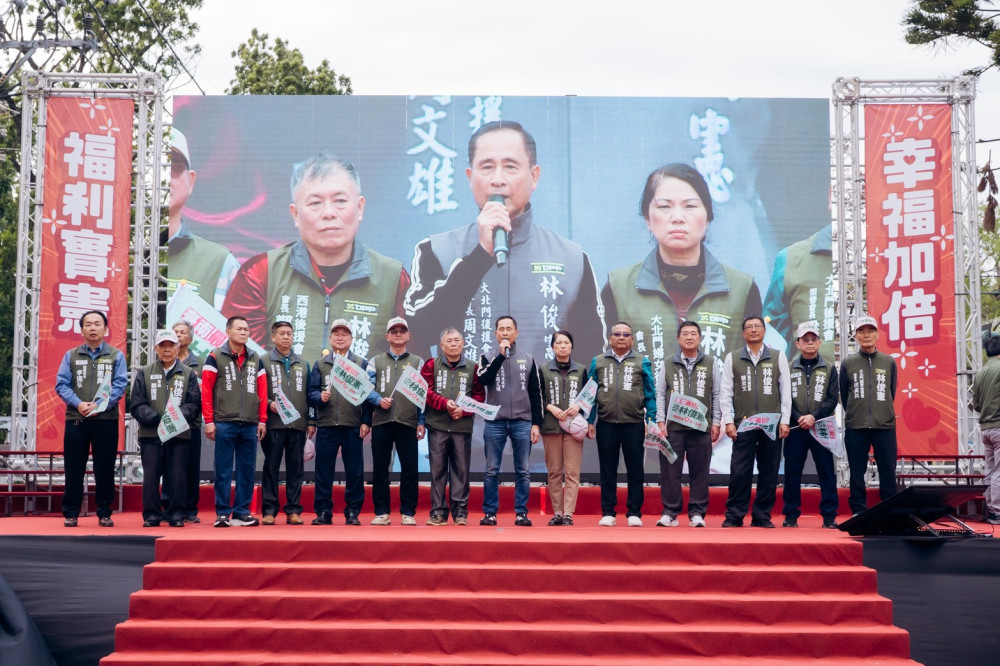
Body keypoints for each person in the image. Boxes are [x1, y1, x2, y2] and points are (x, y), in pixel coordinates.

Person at [404, 120, 605, 362]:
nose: (497, 179)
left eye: (510, 166)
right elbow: (417, 332)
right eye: (487, 167)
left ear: (534, 176)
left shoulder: (572, 258)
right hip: (461, 399)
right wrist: (479, 256)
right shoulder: (435, 249)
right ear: (470, 177)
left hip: (544, 400)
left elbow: (593, 354)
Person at [223, 153, 409, 358]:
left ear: (359, 208)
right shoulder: (260, 272)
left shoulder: (393, 277)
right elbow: (235, 357)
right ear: (295, 214)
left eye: (340, 201)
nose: (329, 213)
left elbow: (406, 363)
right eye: (315, 203)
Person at [602, 163, 761, 377]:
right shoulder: (618, 289)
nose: (677, 217)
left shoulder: (742, 289)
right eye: (665, 206)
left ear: (707, 218)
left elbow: (753, 372)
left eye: (690, 206)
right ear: (648, 219)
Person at [54, 310, 128, 527]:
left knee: (105, 467)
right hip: (77, 418)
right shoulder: (71, 355)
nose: (93, 328)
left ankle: (104, 512)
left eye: (97, 324)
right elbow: (62, 384)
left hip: (106, 420)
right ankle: (71, 512)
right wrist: (79, 403)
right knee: (73, 467)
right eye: (88, 324)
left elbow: (120, 384)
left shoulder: (116, 355)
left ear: (106, 329)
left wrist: (100, 405)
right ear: (82, 329)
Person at [720, 314, 791, 528]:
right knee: (740, 470)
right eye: (748, 327)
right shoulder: (733, 357)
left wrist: (785, 420)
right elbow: (725, 392)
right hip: (743, 423)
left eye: (757, 326)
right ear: (743, 333)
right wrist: (728, 421)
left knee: (769, 470)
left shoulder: (778, 357)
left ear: (764, 331)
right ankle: (735, 515)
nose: (753, 330)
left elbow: (785, 391)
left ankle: (762, 515)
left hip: (772, 424)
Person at [586, 321, 657, 527]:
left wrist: (650, 419)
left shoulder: (642, 361)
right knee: (607, 469)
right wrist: (590, 420)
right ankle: (608, 511)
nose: (621, 338)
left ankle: (634, 512)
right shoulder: (598, 361)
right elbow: (590, 394)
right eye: (617, 334)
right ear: (610, 338)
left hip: (634, 423)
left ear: (632, 339)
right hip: (606, 423)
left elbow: (650, 394)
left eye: (626, 334)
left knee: (635, 469)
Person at [129, 329, 201, 528]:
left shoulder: (188, 374)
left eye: (171, 346)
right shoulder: (144, 373)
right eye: (163, 346)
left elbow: (194, 404)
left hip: (178, 434)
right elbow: (136, 403)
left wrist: (174, 418)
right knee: (151, 478)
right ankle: (152, 516)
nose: (167, 350)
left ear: (178, 348)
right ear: (156, 349)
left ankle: (176, 515)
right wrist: (156, 419)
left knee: (178, 476)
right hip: (151, 435)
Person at [476, 315, 543, 526]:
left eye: (509, 329)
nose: (505, 332)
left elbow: (535, 393)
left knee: (522, 469)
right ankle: (490, 513)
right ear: (495, 334)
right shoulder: (486, 357)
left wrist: (536, 424)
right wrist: (500, 357)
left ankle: (521, 512)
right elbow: (483, 380)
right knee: (491, 469)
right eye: (501, 329)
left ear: (516, 333)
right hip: (495, 421)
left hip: (522, 421)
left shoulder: (529, 358)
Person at [308, 319, 375, 526]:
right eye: (336, 334)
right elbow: (310, 393)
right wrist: (320, 397)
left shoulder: (361, 364)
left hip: (353, 425)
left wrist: (366, 421)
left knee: (354, 471)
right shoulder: (321, 363)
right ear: (330, 338)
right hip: (327, 425)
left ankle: (353, 512)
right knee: (323, 471)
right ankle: (323, 511)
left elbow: (367, 396)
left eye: (344, 334)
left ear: (351, 339)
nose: (340, 337)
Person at [202, 315, 268, 528]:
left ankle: (242, 512)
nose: (243, 332)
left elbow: (263, 391)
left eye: (246, 330)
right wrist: (209, 421)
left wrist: (263, 420)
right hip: (224, 422)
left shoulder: (255, 358)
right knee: (222, 470)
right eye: (239, 329)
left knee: (247, 470)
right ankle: (222, 513)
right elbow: (206, 391)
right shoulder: (214, 356)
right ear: (228, 332)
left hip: (250, 423)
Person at [654, 321, 721, 528]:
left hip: (701, 428)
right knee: (669, 472)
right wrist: (660, 420)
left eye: (693, 333)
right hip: (673, 428)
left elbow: (716, 394)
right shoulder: (668, 363)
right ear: (678, 338)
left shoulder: (711, 363)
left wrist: (716, 422)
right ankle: (670, 512)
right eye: (685, 333)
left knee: (699, 472)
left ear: (700, 338)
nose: (689, 337)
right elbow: (660, 393)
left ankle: (697, 513)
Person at [165, 128, 239, 309]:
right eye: (156, 166)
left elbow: (236, 332)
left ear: (191, 181)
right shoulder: (112, 253)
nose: (165, 178)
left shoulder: (220, 262)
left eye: (174, 168)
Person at [421, 327, 485, 526]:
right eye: (449, 341)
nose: (453, 344)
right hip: (437, 425)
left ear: (463, 343)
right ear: (442, 345)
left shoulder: (473, 367)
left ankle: (460, 513)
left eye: (457, 340)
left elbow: (479, 396)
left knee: (461, 471)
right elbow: (425, 390)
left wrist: (463, 410)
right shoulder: (431, 364)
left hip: (461, 426)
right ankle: (438, 512)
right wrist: (445, 403)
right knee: (437, 471)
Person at [781, 321, 839, 529]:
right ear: (797, 343)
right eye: (805, 339)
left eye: (813, 339)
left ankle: (830, 516)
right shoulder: (788, 368)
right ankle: (791, 515)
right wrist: (798, 417)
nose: (809, 342)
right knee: (792, 472)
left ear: (819, 342)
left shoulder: (830, 368)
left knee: (826, 471)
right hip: (796, 428)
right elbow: (784, 398)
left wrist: (813, 416)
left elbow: (833, 399)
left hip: (821, 426)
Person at [367, 317, 425, 526]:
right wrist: (377, 400)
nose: (398, 334)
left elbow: (422, 395)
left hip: (407, 421)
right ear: (387, 336)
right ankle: (382, 512)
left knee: (409, 468)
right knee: (380, 468)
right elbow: (366, 387)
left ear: (408, 336)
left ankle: (408, 511)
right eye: (394, 331)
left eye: (402, 330)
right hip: (381, 421)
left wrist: (421, 420)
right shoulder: (376, 360)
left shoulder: (418, 362)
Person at [840, 315, 898, 515]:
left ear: (877, 334)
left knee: (888, 471)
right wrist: (857, 413)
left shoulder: (888, 361)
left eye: (870, 331)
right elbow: (844, 392)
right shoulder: (848, 362)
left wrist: (882, 413)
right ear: (855, 336)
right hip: (856, 426)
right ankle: (858, 510)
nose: (866, 335)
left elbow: (891, 391)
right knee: (857, 471)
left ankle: (890, 510)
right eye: (861, 331)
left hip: (885, 425)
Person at [261, 320, 315, 525]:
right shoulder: (264, 361)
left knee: (296, 468)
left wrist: (311, 421)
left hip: (297, 425)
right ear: (273, 337)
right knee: (271, 467)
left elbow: (310, 396)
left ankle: (293, 510)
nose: (285, 337)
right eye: (281, 333)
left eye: (289, 333)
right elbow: (257, 392)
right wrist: (267, 404)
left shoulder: (303, 363)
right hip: (274, 424)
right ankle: (269, 511)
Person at [537, 330, 589, 526]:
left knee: (573, 472)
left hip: (574, 428)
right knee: (554, 472)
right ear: (552, 347)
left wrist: (580, 406)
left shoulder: (582, 370)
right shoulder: (543, 369)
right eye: (558, 343)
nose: (562, 346)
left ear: (572, 346)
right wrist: (550, 407)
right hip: (551, 426)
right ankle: (557, 512)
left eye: (566, 342)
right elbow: (536, 397)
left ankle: (568, 513)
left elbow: (591, 396)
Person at [763, 225, 835, 360]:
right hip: (807, 378)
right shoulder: (790, 258)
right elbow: (774, 331)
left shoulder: (884, 257)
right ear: (831, 202)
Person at [170, 319, 204, 522]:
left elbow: (205, 393)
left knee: (191, 468)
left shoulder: (200, 363)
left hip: (191, 424)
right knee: (169, 467)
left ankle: (190, 510)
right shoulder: (164, 361)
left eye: (183, 332)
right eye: (175, 332)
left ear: (190, 338)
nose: (179, 335)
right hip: (168, 424)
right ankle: (169, 507)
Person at [971, 332, 1000, 526]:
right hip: (999, 426)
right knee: (998, 471)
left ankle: (991, 510)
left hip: (985, 428)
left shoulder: (980, 373)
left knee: (990, 470)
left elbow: (975, 404)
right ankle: (998, 511)